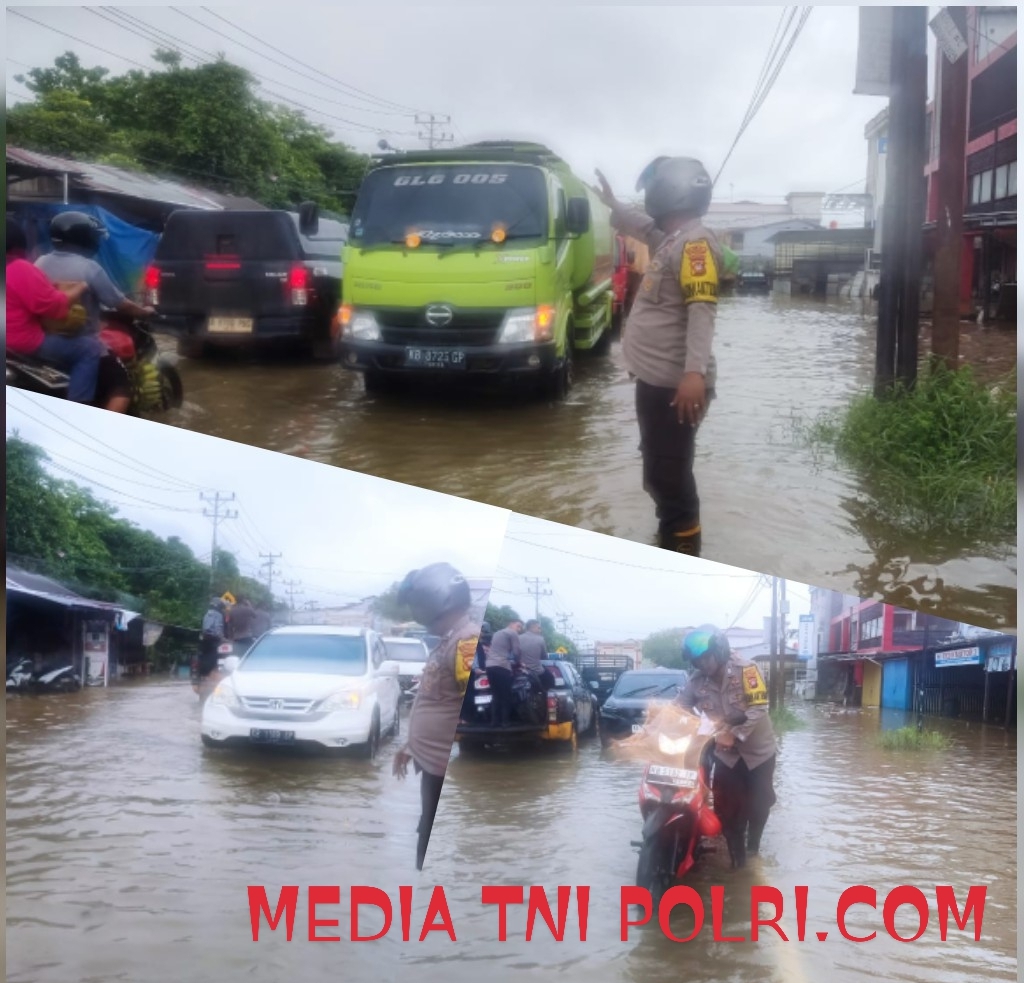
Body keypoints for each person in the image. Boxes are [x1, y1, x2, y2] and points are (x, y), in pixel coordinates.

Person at [594, 159, 723, 557]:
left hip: (676, 384)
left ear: (669, 191)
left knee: (669, 474)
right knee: (658, 470)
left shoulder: (695, 244)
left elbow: (702, 309)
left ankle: (683, 546)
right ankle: (670, 535)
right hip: (656, 379)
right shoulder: (673, 239)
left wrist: (694, 374)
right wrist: (615, 205)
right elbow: (643, 227)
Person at [392, 563, 480, 871]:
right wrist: (410, 745)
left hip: (443, 766)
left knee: (430, 835)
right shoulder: (451, 640)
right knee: (426, 828)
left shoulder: (464, 642)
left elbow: (464, 711)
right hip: (432, 761)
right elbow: (435, 699)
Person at [674, 625, 777, 869]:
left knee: (760, 803)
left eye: (706, 657)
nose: (703, 664)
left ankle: (753, 849)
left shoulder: (747, 670)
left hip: (759, 751)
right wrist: (659, 720)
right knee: (728, 810)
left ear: (719, 652)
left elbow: (759, 707)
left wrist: (735, 734)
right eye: (697, 661)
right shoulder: (697, 680)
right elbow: (680, 705)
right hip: (726, 755)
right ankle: (738, 864)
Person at [36, 212, 156, 414]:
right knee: (122, 387)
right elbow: (119, 303)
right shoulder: (89, 268)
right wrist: (144, 312)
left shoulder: (39, 263)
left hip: (43, 342)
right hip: (78, 341)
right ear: (85, 238)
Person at [5, 217, 102, 404]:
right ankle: (78, 409)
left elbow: (26, 293)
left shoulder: (38, 262)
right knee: (90, 348)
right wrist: (80, 287)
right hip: (22, 343)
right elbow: (54, 307)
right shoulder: (20, 268)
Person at [484, 618, 523, 728]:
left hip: (489, 666)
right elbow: (516, 651)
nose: (519, 629)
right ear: (511, 624)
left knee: (496, 695)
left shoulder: (497, 633)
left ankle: (494, 722)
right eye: (518, 626)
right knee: (506, 695)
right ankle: (505, 722)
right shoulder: (512, 633)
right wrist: (519, 662)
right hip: (501, 666)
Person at [518, 619, 555, 692]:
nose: (540, 630)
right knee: (551, 680)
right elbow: (544, 656)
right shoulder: (540, 639)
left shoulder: (518, 638)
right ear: (532, 628)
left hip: (520, 671)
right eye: (538, 628)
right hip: (537, 671)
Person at [198, 597, 227, 684]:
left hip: (204, 639)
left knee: (204, 657)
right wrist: (223, 639)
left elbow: (205, 628)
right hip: (213, 639)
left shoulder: (207, 614)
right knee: (213, 658)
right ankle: (210, 676)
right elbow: (217, 629)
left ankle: (203, 676)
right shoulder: (218, 615)